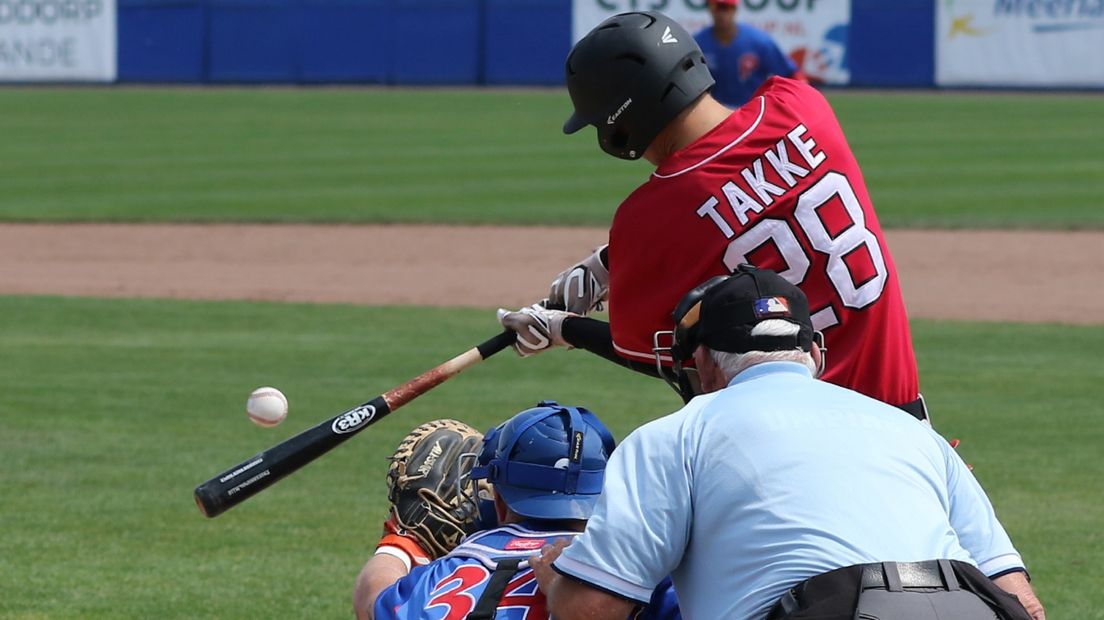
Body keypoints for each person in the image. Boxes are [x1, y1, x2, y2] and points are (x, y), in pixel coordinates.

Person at [527, 265, 1045, 620]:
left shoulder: (674, 437)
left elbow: (592, 609)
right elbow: (1018, 597)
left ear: (704, 361)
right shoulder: (913, 432)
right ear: (814, 352)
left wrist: (557, 580)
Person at [497, 10, 926, 421]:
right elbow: (753, 202)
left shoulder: (650, 217)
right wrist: (610, 263)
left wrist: (562, 328)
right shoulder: (801, 105)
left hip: (816, 454)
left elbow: (670, 356)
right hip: (914, 436)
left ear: (621, 119)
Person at [351, 404, 679, 620]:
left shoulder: (448, 570)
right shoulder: (631, 577)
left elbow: (372, 603)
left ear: (499, 498)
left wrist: (403, 541)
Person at [695, 0, 805, 108]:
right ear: (710, 8)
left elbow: (791, 74)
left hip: (753, 112)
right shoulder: (699, 43)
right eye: (716, 7)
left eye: (725, 7)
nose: (721, 13)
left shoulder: (759, 41)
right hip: (715, 115)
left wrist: (803, 101)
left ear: (734, 9)